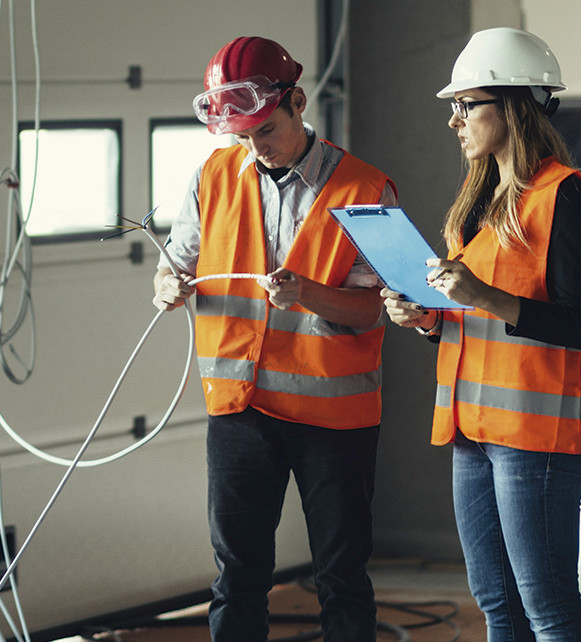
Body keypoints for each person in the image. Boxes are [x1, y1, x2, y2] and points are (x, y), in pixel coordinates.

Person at [152, 36, 397, 642]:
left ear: (298, 102)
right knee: (237, 578)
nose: (253, 146)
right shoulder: (213, 177)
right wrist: (166, 285)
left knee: (341, 579)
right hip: (240, 413)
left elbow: (375, 311)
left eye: (264, 130)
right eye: (240, 135)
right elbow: (175, 263)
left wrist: (309, 293)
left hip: (333, 421)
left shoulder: (367, 190)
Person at [380, 27, 581, 640]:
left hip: (539, 439)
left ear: (515, 105)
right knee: (497, 605)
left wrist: (481, 295)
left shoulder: (565, 197)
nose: (454, 120)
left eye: (466, 104)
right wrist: (428, 317)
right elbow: (474, 319)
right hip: (472, 431)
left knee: (548, 608)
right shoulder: (478, 200)